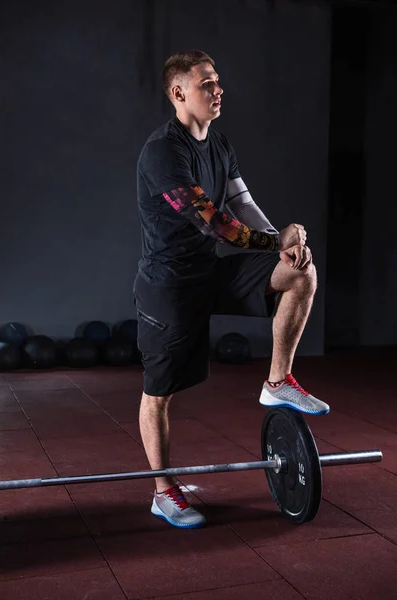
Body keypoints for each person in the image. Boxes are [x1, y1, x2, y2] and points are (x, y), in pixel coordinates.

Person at [134, 49, 329, 529]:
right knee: (159, 395)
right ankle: (164, 492)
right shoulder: (163, 151)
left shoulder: (219, 144)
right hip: (170, 286)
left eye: (218, 81)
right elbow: (213, 222)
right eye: (206, 83)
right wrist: (274, 239)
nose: (218, 89)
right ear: (180, 93)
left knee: (301, 273)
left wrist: (281, 249)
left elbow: (240, 201)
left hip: (211, 272)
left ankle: (278, 381)